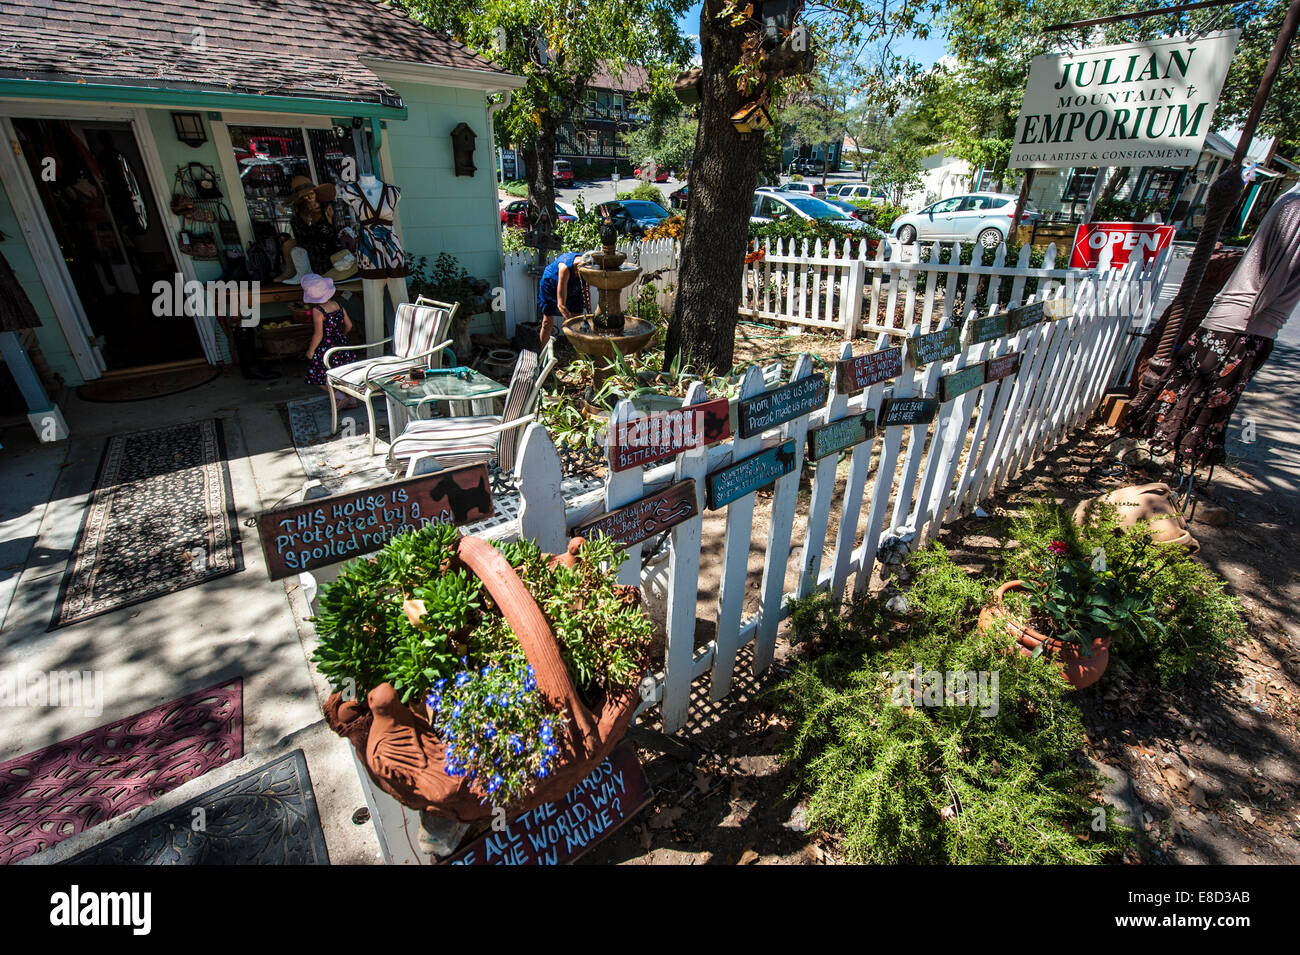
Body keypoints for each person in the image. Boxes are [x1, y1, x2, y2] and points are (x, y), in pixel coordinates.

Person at [1127, 186, 1300, 467]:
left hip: (1244, 323)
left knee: (1204, 401)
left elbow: (1274, 276)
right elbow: (1275, 276)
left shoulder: (1291, 204)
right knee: (1192, 391)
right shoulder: (1293, 204)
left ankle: (1174, 452)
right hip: (1242, 323)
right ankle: (1165, 447)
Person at [302, 273, 358, 407]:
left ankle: (340, 396)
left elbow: (318, 335)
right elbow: (349, 325)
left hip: (326, 349)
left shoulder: (318, 311)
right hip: (342, 345)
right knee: (344, 373)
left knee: (317, 376)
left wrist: (311, 350)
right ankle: (352, 400)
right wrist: (341, 335)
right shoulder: (338, 305)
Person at [536, 251, 592, 344]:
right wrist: (571, 325)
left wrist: (591, 317)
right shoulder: (565, 268)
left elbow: (586, 292)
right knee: (547, 323)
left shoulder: (590, 266)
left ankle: (579, 354)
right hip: (551, 284)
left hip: (573, 283)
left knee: (578, 318)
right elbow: (561, 305)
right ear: (580, 268)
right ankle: (542, 354)